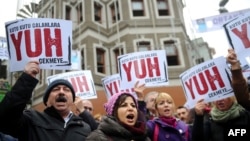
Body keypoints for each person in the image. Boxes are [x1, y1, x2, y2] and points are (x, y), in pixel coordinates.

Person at [0, 61, 91, 141]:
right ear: (47, 101)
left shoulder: (85, 127)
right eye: (56, 89)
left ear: (72, 101)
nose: (61, 92)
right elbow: (5, 119)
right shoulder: (31, 119)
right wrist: (27, 78)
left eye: (66, 90)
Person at [86, 92, 150, 141]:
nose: (131, 108)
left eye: (133, 105)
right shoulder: (97, 138)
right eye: (124, 105)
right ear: (114, 112)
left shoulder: (143, 136)